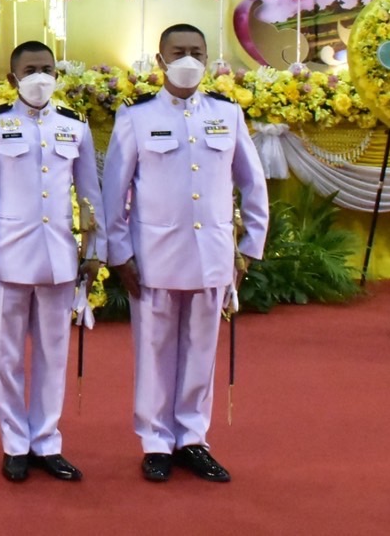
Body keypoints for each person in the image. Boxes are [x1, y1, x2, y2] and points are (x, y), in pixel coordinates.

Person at [101, 24, 269, 483]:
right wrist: (120, 254)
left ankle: (192, 438)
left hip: (212, 254)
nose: (188, 60)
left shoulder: (227, 113)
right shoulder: (136, 116)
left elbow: (253, 185)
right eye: (179, 52)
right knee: (154, 350)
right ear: (160, 60)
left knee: (200, 350)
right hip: (154, 254)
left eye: (197, 52)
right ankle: (155, 441)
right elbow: (115, 191)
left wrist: (249, 246)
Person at [0, 40, 102, 484]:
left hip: (60, 256)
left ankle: (46, 440)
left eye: (48, 69)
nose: (41, 77)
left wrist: (94, 252)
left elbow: (90, 196)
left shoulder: (74, 127)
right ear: (12, 78)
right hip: (6, 257)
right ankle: (14, 443)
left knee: (52, 354)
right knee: (6, 357)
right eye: (31, 69)